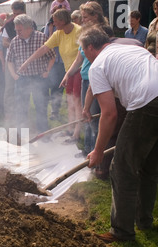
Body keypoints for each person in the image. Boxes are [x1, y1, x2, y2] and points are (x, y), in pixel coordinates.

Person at [79, 26, 158, 243]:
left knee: (122, 168)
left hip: (150, 104)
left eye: (83, 50)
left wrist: (98, 151)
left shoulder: (97, 65)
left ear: (90, 47)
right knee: (148, 167)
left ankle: (122, 232)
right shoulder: (130, 49)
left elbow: (109, 114)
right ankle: (144, 222)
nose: (84, 55)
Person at [20, 9, 82, 144]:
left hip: (80, 71)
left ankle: (77, 134)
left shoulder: (78, 31)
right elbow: (43, 49)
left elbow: (81, 56)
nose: (52, 23)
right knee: (70, 102)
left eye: (54, 20)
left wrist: (70, 73)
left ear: (62, 21)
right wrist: (27, 62)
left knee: (77, 103)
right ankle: (70, 128)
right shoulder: (58, 33)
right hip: (68, 72)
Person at [60, 1, 107, 159]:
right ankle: (87, 149)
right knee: (85, 114)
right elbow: (79, 59)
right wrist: (68, 74)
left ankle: (95, 151)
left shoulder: (102, 33)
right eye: (83, 17)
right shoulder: (85, 33)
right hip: (85, 77)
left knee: (93, 116)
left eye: (86, 17)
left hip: (98, 78)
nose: (83, 20)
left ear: (96, 15)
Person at [7, 14, 56, 134]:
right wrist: (14, 75)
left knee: (41, 106)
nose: (17, 32)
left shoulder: (41, 38)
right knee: (21, 107)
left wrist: (47, 71)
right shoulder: (14, 41)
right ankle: (22, 133)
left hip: (39, 78)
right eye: (16, 30)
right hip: (22, 79)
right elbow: (9, 60)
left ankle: (42, 133)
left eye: (20, 30)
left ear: (29, 28)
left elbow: (52, 57)